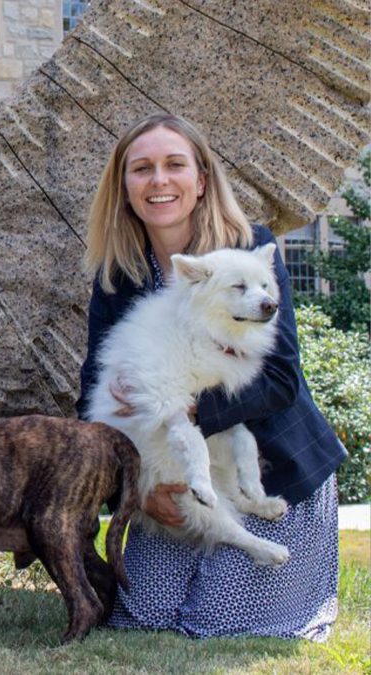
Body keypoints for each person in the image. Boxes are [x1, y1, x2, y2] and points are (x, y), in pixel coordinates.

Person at [77, 113, 347, 640]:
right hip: (176, 480)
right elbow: (92, 393)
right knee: (145, 616)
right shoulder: (118, 277)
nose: (159, 181)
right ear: (123, 186)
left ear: (201, 180)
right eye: (141, 169)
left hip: (272, 473)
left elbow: (281, 380)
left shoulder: (250, 252)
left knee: (218, 622)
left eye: (175, 165)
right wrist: (131, 490)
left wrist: (187, 407)